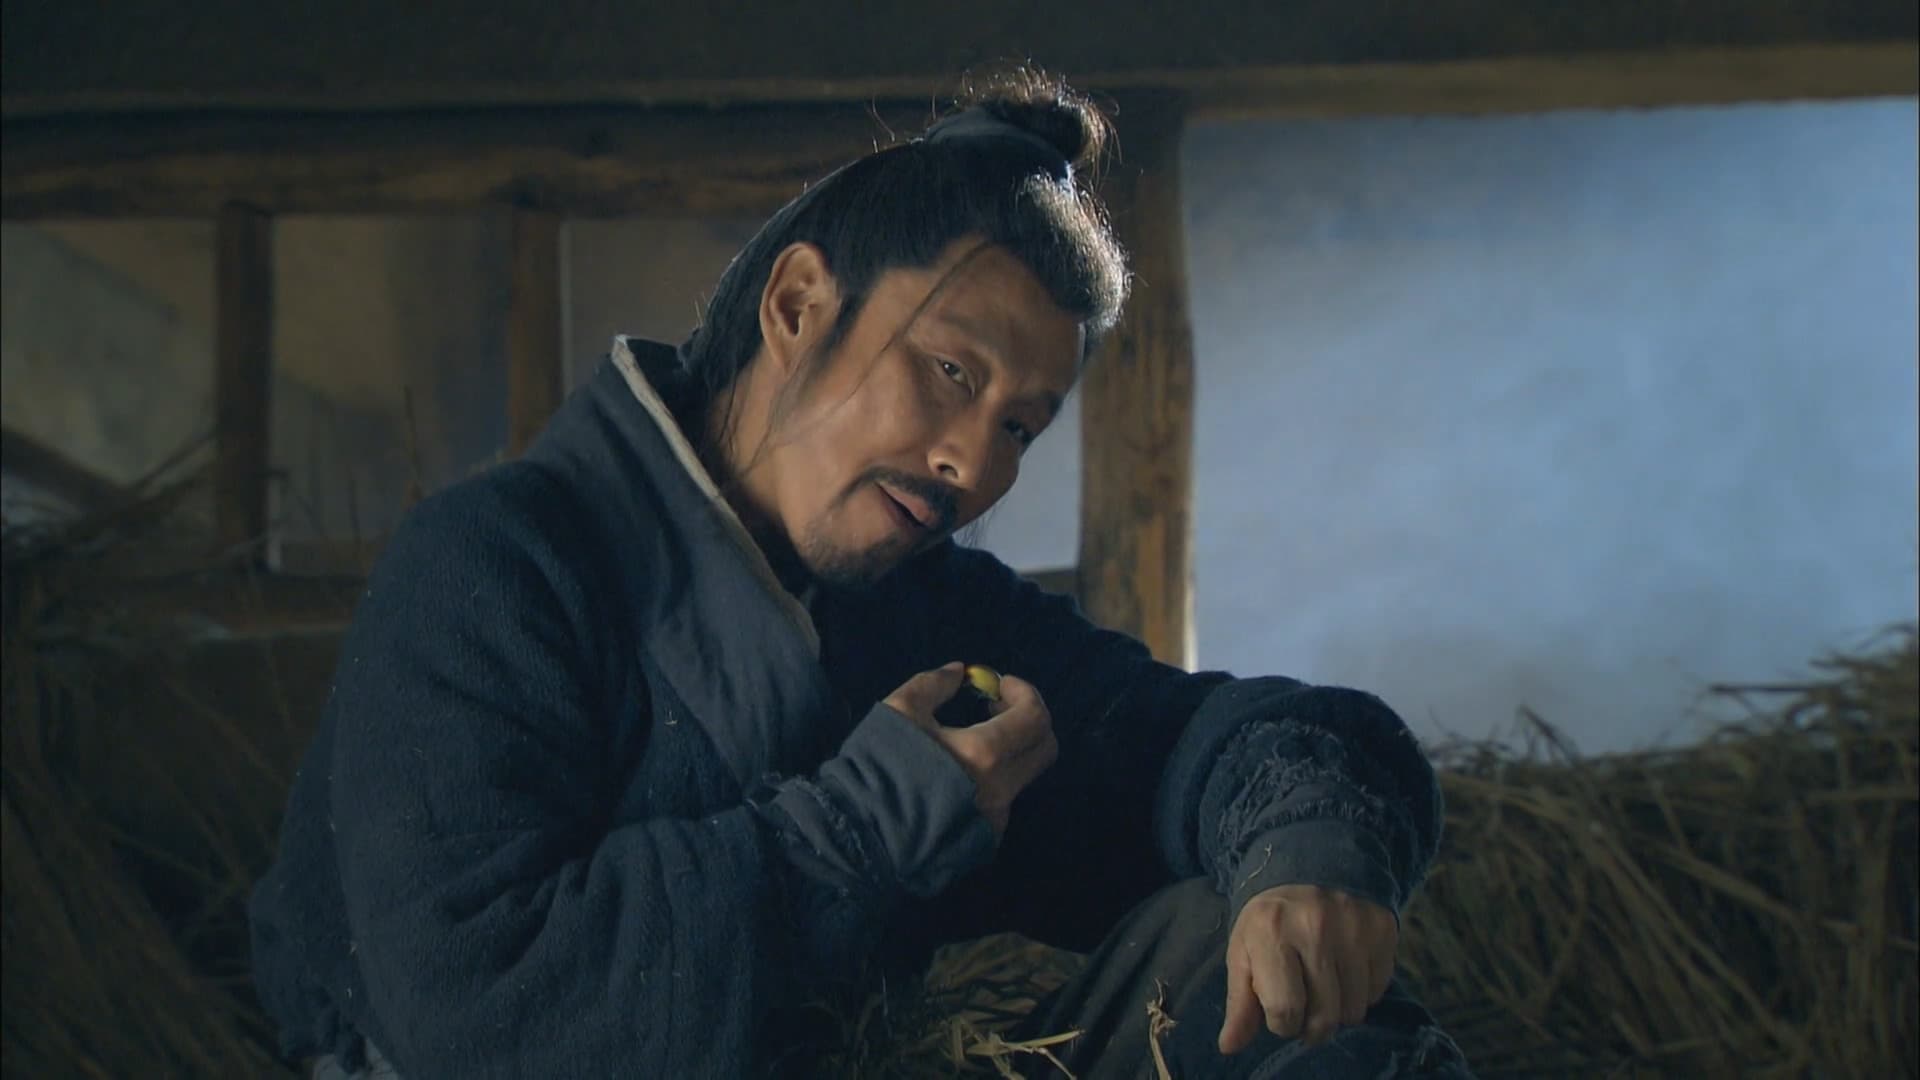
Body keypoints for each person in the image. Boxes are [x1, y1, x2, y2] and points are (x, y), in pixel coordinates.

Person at [249, 68, 1474, 1080]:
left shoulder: (923, 610)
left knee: (1238, 960)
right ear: (797, 305)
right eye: (951, 372)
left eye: (1020, 425)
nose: (972, 464)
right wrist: (869, 824)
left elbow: (1211, 738)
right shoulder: (500, 563)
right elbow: (480, 1015)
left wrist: (1309, 855)